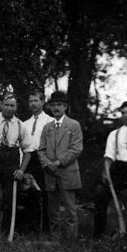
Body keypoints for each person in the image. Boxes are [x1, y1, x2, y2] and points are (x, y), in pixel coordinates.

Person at [0, 94, 33, 234]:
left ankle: (6, 231)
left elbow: (27, 151)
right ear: (2, 105)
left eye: (12, 105)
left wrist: (21, 170)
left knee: (9, 198)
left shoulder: (21, 125)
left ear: (16, 107)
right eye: (6, 105)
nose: (9, 108)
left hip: (11, 164)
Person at [95, 101, 127, 237]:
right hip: (119, 170)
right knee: (101, 193)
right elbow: (109, 156)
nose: (126, 116)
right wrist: (106, 172)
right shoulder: (114, 134)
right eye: (123, 113)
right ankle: (99, 234)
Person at [36, 91, 83, 238]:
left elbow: (76, 149)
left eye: (60, 105)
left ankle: (71, 239)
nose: (56, 108)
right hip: (50, 173)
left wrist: (58, 162)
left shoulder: (73, 125)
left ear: (65, 107)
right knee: (53, 208)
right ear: (49, 107)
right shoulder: (47, 127)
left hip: (67, 172)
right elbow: (41, 149)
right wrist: (47, 164)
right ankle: (54, 237)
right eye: (53, 105)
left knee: (70, 207)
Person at [21, 90, 55, 232]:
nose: (33, 104)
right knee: (29, 191)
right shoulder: (25, 123)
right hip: (28, 158)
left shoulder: (49, 121)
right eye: (31, 101)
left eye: (36, 100)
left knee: (44, 193)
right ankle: (31, 227)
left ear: (42, 102)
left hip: (43, 158)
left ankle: (45, 228)